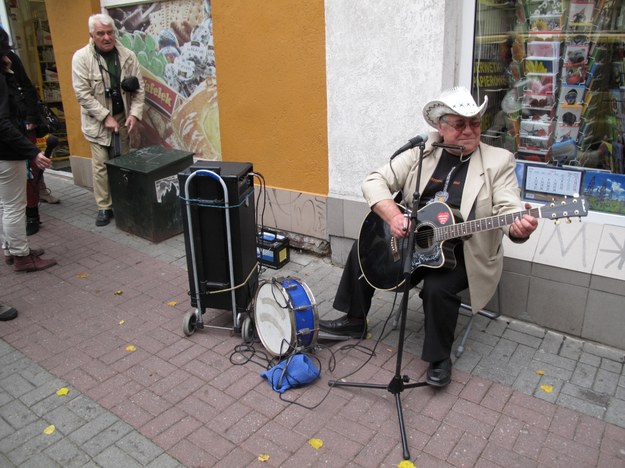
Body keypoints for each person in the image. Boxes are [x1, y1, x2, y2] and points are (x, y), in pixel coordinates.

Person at [319, 86, 538, 387]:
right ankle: (355, 321)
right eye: (460, 124)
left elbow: (509, 205)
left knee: (437, 286)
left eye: (474, 122)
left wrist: (518, 226)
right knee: (365, 248)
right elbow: (375, 180)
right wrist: (394, 216)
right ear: (440, 126)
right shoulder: (424, 151)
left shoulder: (498, 161)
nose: (469, 130)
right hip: (414, 237)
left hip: (464, 251)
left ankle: (438, 357)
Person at [1, 30, 57, 322]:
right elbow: (3, 123)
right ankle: (21, 256)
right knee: (12, 204)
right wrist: (31, 151)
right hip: (5, 152)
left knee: (4, 204)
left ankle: (13, 249)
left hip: (6, 151)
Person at [72, 13, 145, 226]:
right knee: (101, 164)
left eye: (110, 32)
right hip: (96, 121)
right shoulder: (81, 58)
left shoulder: (128, 56)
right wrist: (104, 117)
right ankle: (104, 206)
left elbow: (139, 91)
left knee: (122, 161)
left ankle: (123, 201)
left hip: (122, 117)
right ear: (92, 35)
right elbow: (82, 94)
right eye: (100, 33)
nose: (106, 37)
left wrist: (134, 114)